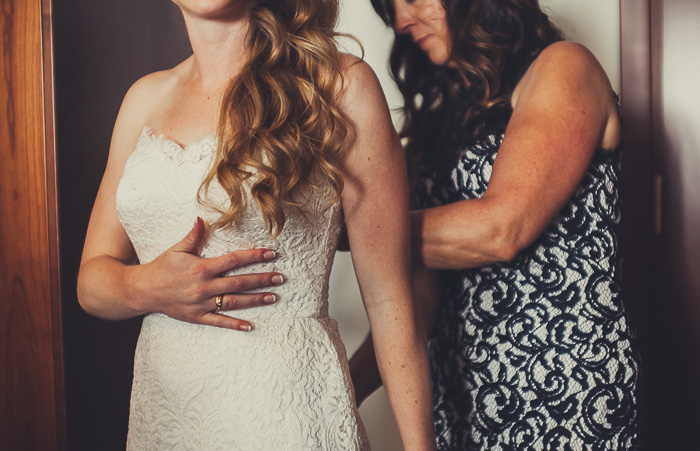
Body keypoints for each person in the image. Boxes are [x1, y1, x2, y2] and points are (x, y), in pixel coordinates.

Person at [76, 0, 436, 449]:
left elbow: (389, 299)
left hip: (286, 412)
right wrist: (145, 287)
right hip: (166, 415)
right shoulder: (144, 99)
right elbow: (91, 281)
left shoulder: (338, 86)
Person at [350, 0, 643, 449]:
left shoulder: (565, 68)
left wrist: (344, 231)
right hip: (462, 400)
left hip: (565, 391)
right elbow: (418, 301)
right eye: (391, 8)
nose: (403, 21)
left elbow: (501, 229)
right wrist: (342, 386)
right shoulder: (441, 118)